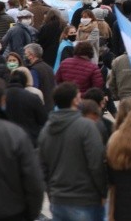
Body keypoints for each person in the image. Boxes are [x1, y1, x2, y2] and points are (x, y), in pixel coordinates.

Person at [0, 78, 44, 220]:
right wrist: (31, 213)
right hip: (10, 212)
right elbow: (33, 181)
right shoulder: (16, 134)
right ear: (2, 100)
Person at [39, 82, 107, 220]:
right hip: (85, 199)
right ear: (75, 100)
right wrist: (103, 192)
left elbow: (42, 166)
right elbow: (96, 163)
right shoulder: (87, 126)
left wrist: (51, 193)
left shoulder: (46, 129)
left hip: (58, 199)